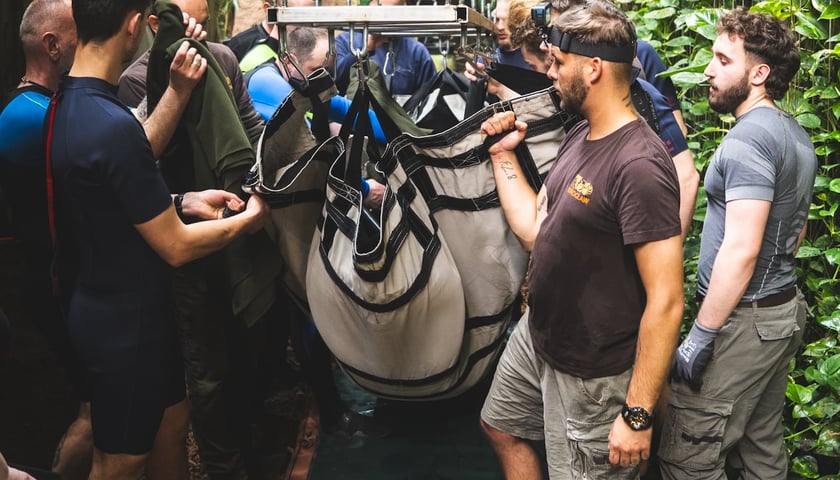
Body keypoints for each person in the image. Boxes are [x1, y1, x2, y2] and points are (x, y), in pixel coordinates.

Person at [51, 1, 268, 479]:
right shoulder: (109, 123)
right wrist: (250, 220)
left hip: (125, 310)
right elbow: (177, 246)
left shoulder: (75, 103)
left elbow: (114, 184)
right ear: (134, 25)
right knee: (120, 462)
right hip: (122, 325)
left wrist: (183, 199)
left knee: (172, 425)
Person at [478, 2, 685, 478]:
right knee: (500, 425)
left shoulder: (639, 166)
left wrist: (637, 414)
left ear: (593, 68)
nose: (549, 73)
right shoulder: (581, 135)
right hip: (543, 339)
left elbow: (668, 299)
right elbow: (535, 229)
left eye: (557, 62)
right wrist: (502, 156)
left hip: (593, 374)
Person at [659, 7, 816, 479]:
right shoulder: (794, 133)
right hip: (779, 314)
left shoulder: (749, 139)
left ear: (759, 73)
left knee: (687, 456)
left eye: (723, 60)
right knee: (759, 448)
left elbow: (742, 247)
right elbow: (798, 229)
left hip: (743, 322)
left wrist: (702, 335)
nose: (708, 69)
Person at [503, 0, 699, 239]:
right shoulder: (570, 98)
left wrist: (667, 249)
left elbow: (685, 174)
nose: (548, 44)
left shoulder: (639, 94)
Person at [118, 0, 264, 147]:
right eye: (186, 26)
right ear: (155, 24)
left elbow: (251, 128)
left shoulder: (223, 57)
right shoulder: (135, 80)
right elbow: (145, 149)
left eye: (203, 24)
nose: (198, 33)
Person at [334, 0, 437, 102]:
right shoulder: (346, 42)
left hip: (401, 116)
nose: (386, 18)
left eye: (393, 12)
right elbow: (335, 82)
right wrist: (366, 48)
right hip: (354, 116)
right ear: (368, 7)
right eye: (381, 11)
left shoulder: (417, 52)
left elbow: (430, 99)